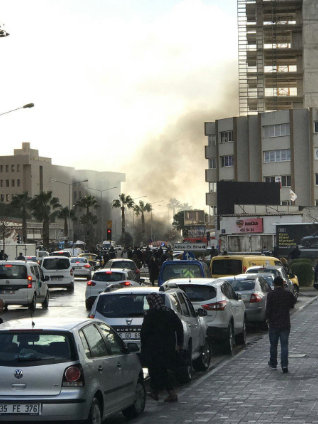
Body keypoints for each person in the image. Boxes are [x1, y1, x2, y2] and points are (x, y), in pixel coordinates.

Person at [140, 292, 184, 402]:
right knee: (161, 369)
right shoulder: (169, 312)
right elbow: (179, 328)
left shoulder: (151, 314)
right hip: (168, 347)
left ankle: (170, 393)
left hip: (154, 348)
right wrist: (179, 344)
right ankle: (156, 391)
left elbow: (144, 332)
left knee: (158, 370)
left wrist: (143, 346)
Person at [265, 276, 296, 373]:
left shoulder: (270, 295)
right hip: (285, 323)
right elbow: (292, 303)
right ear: (283, 284)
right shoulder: (287, 294)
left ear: (274, 284)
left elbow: (268, 309)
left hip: (274, 323)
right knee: (284, 345)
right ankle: (284, 365)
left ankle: (273, 363)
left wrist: (267, 318)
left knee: (273, 345)